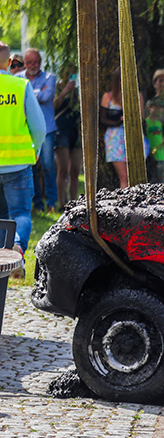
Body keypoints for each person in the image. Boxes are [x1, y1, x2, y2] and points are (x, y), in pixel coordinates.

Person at [0, 42, 47, 276]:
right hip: (17, 164)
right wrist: (36, 149)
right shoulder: (20, 85)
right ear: (10, 63)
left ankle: (1, 260)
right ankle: (17, 249)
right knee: (19, 213)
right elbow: (39, 127)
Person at [18, 48, 57, 212]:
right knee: (31, 168)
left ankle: (52, 204)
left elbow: (46, 96)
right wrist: (37, 92)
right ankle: (37, 205)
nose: (32, 65)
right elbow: (27, 99)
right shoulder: (17, 79)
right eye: (29, 62)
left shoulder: (50, 77)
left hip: (47, 129)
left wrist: (29, 94)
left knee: (48, 166)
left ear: (40, 63)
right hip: (26, 131)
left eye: (36, 62)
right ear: (25, 63)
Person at [100, 67, 144, 189]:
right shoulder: (107, 97)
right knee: (124, 176)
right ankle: (125, 201)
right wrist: (118, 121)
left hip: (132, 135)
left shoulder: (137, 95)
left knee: (135, 176)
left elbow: (141, 118)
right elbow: (102, 119)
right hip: (115, 138)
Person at [53, 69, 81, 206]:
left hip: (75, 131)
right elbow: (54, 106)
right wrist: (64, 92)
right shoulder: (57, 88)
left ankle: (73, 202)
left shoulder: (77, 91)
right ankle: (61, 203)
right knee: (62, 169)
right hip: (61, 130)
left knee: (75, 170)